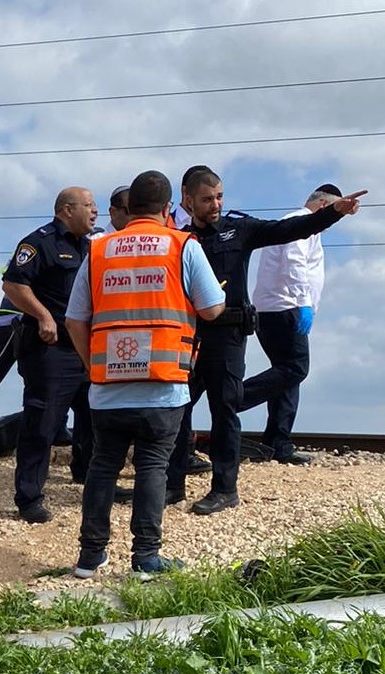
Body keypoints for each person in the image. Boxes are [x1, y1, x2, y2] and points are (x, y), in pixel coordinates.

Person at [167, 170, 365, 514]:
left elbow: (288, 230)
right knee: (177, 408)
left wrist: (333, 213)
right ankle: (172, 486)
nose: (215, 205)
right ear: (187, 199)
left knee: (225, 410)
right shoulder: (178, 238)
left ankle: (225, 489)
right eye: (206, 199)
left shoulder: (238, 229)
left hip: (228, 336)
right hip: (188, 336)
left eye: (219, 197)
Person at [65, 171, 226, 578]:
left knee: (103, 464)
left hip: (108, 386)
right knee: (153, 467)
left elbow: (73, 319)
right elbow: (211, 308)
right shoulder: (181, 245)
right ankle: (146, 558)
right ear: (170, 208)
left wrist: (92, 365)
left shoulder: (99, 249)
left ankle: (90, 557)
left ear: (129, 206)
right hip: (163, 384)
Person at [3, 187, 98, 522]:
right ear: (66, 210)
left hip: (87, 347)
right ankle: (29, 499)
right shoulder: (38, 243)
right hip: (51, 350)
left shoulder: (92, 245)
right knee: (41, 424)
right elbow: (13, 285)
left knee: (94, 419)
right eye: (89, 205)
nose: (95, 211)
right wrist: (43, 315)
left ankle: (88, 477)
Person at [241, 184, 343, 465]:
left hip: (280, 308)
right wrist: (303, 303)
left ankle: (278, 443)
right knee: (295, 368)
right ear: (324, 206)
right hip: (284, 307)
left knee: (287, 375)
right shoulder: (299, 224)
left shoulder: (299, 224)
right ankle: (233, 400)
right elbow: (294, 264)